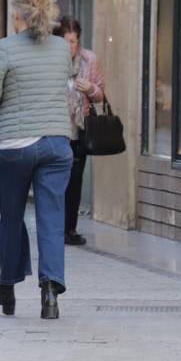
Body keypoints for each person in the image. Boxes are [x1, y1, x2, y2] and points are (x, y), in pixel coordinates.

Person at [0, 0, 72, 320]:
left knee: (12, 217)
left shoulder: (3, 49)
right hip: (57, 143)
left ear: (15, 14)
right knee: (51, 217)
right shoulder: (62, 48)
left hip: (15, 145)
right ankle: (50, 293)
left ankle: (7, 289)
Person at [54, 16, 105, 246]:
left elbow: (101, 94)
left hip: (79, 128)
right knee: (56, 181)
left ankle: (70, 228)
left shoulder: (89, 60)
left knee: (74, 181)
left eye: (73, 42)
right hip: (55, 127)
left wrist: (91, 89)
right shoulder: (51, 60)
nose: (70, 47)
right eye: (66, 42)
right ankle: (55, 227)